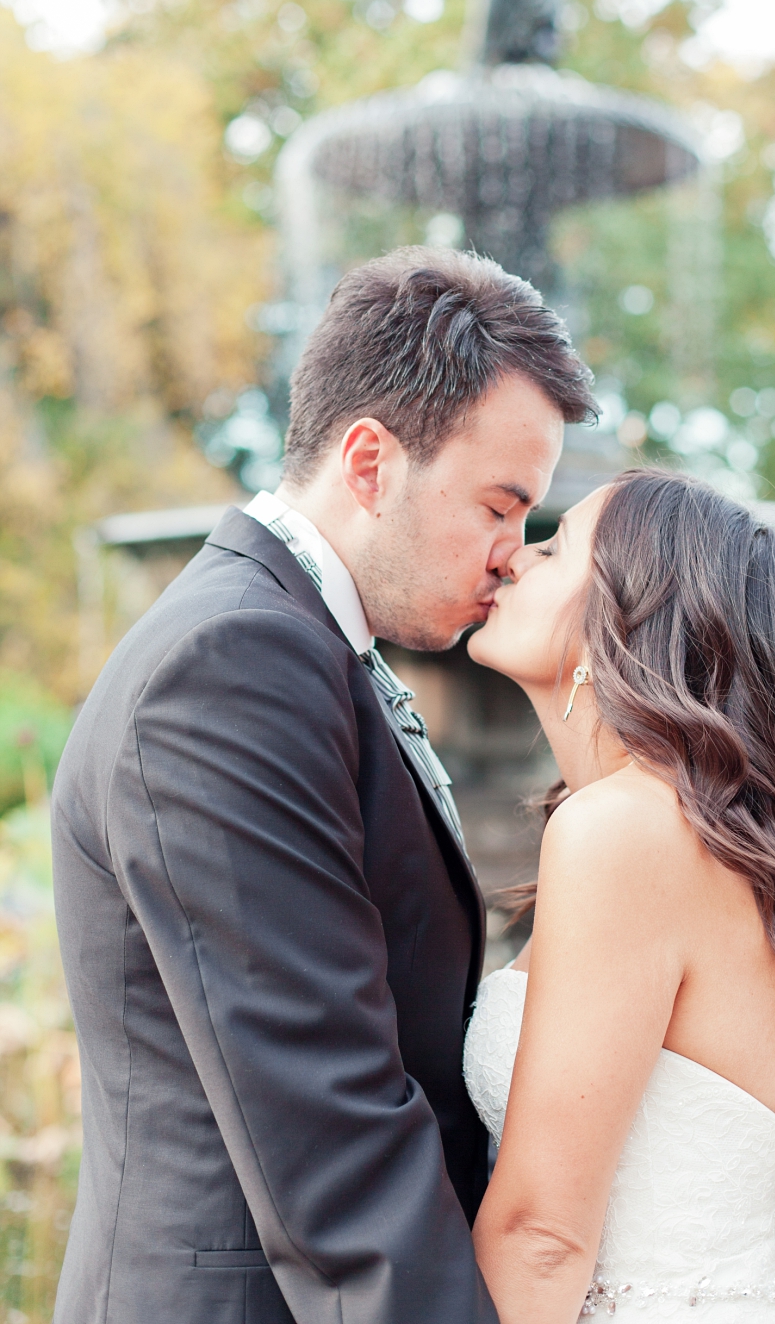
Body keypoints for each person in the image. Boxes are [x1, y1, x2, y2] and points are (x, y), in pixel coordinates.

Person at [50, 246, 595, 1324]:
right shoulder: (235, 663)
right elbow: (329, 1125)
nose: (509, 552)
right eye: (498, 503)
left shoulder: (298, 643)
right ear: (369, 461)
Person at [464, 468, 775, 1323]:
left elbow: (541, 1235)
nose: (513, 557)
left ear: (627, 616)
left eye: (552, 548)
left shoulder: (622, 834)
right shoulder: (685, 835)